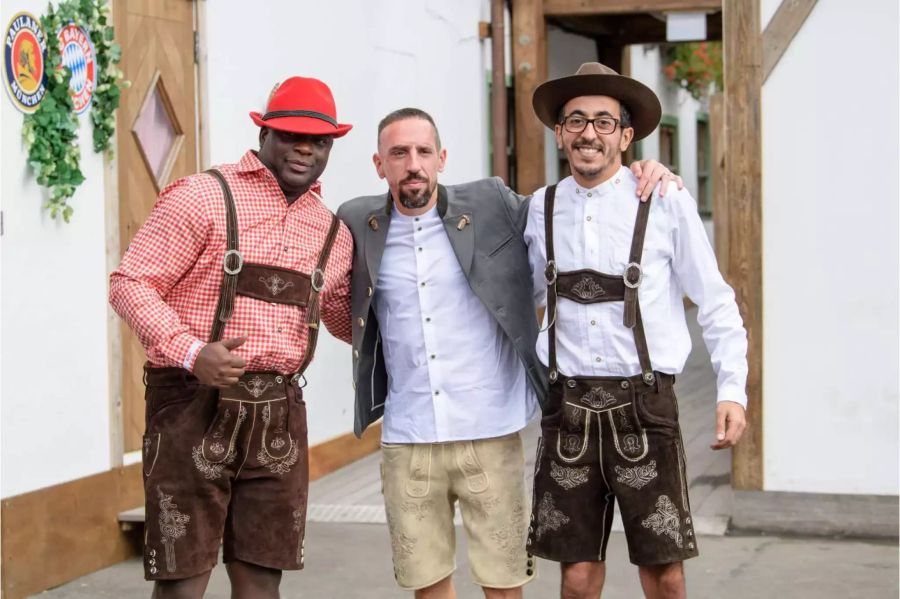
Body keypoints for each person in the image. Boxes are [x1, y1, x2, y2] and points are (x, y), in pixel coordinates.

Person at [337, 107, 680, 599]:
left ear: (442, 158)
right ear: (379, 164)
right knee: (426, 585)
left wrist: (643, 171)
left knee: (503, 585)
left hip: (490, 428)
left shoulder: (492, 203)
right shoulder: (357, 221)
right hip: (408, 433)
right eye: (398, 153)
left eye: (423, 152)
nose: (412, 164)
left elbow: (566, 210)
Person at [109, 76, 353, 599]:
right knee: (182, 582)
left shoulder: (332, 231)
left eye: (320, 140)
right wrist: (192, 352)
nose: (305, 148)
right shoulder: (203, 197)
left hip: (279, 416)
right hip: (191, 406)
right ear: (264, 133)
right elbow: (129, 283)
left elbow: (341, 318)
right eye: (290, 135)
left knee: (262, 585)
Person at [524, 62, 749, 599]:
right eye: (575, 120)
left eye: (604, 122)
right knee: (577, 580)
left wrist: (732, 390)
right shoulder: (540, 208)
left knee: (664, 574)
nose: (588, 133)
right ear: (559, 133)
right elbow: (523, 296)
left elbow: (716, 301)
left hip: (645, 407)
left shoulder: (664, 199)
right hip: (568, 409)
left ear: (626, 135)